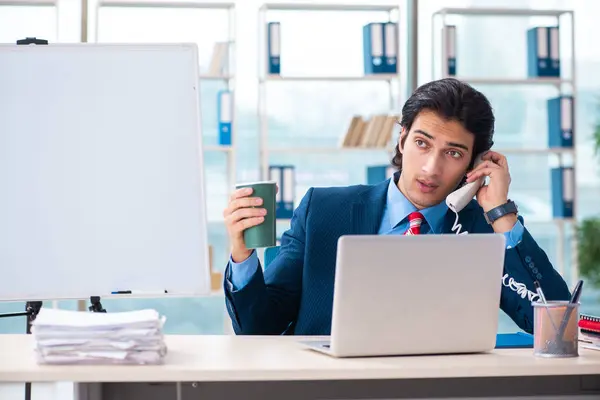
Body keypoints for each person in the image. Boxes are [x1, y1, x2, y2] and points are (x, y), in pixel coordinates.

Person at [222, 78, 572, 336]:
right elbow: (260, 328)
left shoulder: (486, 229)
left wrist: (502, 215)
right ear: (402, 139)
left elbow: (557, 327)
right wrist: (242, 257)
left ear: (474, 164)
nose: (431, 168)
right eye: (422, 143)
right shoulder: (324, 210)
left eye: (453, 153)